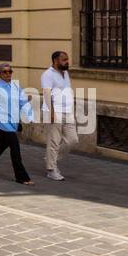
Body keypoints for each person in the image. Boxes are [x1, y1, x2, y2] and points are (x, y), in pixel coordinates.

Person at [0, 63, 34, 185]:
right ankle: (21, 177)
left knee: (2, 145)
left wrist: (29, 114)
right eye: (5, 72)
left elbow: (22, 102)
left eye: (10, 71)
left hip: (13, 121)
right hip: (2, 122)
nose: (8, 74)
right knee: (15, 148)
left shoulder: (16, 86)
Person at [41, 50, 77, 181]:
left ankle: (51, 158)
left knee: (73, 140)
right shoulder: (47, 75)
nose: (67, 62)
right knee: (54, 142)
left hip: (68, 112)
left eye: (67, 59)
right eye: (64, 60)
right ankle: (51, 170)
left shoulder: (66, 73)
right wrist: (51, 112)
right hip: (53, 112)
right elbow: (46, 93)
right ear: (56, 61)